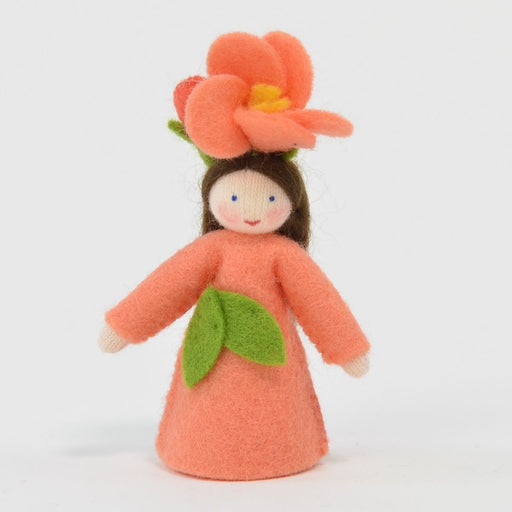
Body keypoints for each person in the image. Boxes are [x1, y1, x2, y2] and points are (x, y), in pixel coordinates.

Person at [99, 152, 370, 481]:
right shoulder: (210, 249)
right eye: (235, 199)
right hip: (211, 354)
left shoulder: (284, 255)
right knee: (209, 401)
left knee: (269, 401)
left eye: (270, 199)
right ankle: (201, 449)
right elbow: (166, 288)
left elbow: (320, 303)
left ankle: (277, 450)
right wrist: (125, 325)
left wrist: (346, 349)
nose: (251, 212)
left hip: (274, 368)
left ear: (292, 203)